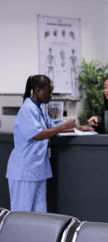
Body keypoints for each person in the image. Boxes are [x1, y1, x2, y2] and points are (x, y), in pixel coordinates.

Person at [5, 75, 93, 212]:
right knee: (22, 215)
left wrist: (78, 128)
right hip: (24, 171)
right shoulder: (27, 109)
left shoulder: (39, 109)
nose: (51, 96)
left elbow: (51, 128)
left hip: (37, 170)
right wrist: (63, 127)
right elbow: (37, 135)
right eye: (49, 92)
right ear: (37, 90)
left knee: (40, 214)